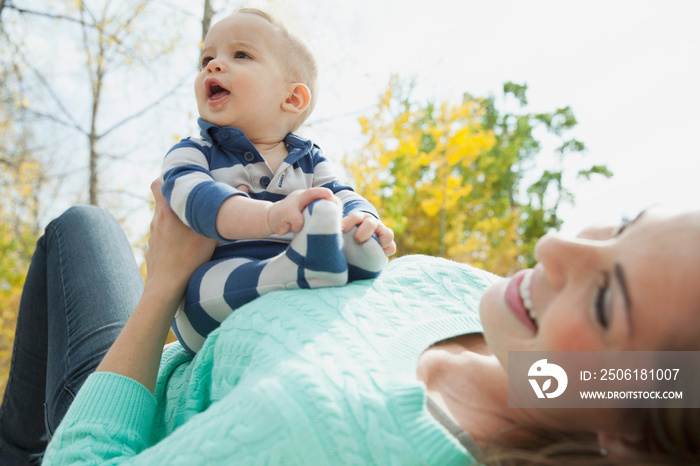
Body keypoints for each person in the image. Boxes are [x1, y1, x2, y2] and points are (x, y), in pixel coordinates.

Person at [1, 176, 699, 465]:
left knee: (82, 228)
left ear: (627, 439)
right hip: (202, 334)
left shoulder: (316, 438)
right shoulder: (518, 335)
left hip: (129, 397)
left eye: (608, 301)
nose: (556, 246)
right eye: (623, 227)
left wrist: (165, 284)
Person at [160, 8, 396, 354]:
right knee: (198, 290)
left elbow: (342, 194)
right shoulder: (194, 152)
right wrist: (269, 216)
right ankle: (291, 274)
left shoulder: (309, 159)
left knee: (350, 230)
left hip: (303, 266)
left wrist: (365, 219)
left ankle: (347, 260)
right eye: (206, 58)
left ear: (291, 98)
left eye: (240, 54)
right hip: (212, 303)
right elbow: (198, 201)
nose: (213, 65)